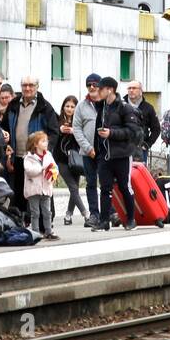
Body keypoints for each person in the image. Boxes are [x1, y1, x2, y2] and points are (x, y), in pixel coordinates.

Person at [4, 75, 59, 211]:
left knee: (41, 191)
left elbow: (54, 132)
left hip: (37, 159)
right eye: (24, 85)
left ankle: (44, 224)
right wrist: (7, 148)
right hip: (17, 156)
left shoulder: (45, 106)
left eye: (31, 85)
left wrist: (45, 152)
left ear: (37, 87)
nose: (27, 88)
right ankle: (22, 222)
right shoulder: (13, 104)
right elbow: (4, 128)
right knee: (19, 192)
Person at [93, 76, 141, 232]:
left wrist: (111, 133)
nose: (97, 91)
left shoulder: (124, 108)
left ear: (110, 90)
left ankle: (131, 220)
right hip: (104, 155)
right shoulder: (100, 107)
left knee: (124, 187)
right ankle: (104, 221)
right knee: (105, 188)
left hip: (122, 155)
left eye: (100, 89)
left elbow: (132, 131)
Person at [72, 73, 104, 227]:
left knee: (108, 183)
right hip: (88, 152)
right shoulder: (81, 105)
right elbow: (76, 129)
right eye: (89, 84)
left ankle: (110, 212)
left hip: (106, 151)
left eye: (95, 84)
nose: (92, 87)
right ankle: (94, 215)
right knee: (91, 183)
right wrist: (88, 148)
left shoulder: (107, 104)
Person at [54, 95, 88, 225]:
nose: (69, 109)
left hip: (76, 159)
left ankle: (68, 215)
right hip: (62, 159)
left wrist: (75, 131)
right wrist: (60, 130)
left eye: (72, 107)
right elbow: (51, 135)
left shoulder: (79, 122)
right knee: (73, 187)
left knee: (75, 190)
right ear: (63, 107)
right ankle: (86, 214)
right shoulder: (57, 120)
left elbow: (85, 138)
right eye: (67, 106)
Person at [21, 130, 59, 240]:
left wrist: (54, 172)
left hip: (46, 188)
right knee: (35, 212)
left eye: (46, 141)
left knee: (47, 211)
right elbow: (29, 171)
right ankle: (35, 232)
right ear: (35, 144)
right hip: (33, 189)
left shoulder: (49, 155)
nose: (46, 143)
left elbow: (54, 166)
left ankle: (49, 231)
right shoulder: (29, 157)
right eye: (43, 141)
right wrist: (42, 168)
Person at [124, 81, 161, 164]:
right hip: (123, 148)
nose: (131, 90)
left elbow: (156, 129)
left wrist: (147, 145)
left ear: (141, 91)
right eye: (129, 88)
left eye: (134, 88)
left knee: (139, 175)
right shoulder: (121, 105)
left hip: (140, 150)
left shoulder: (148, 108)